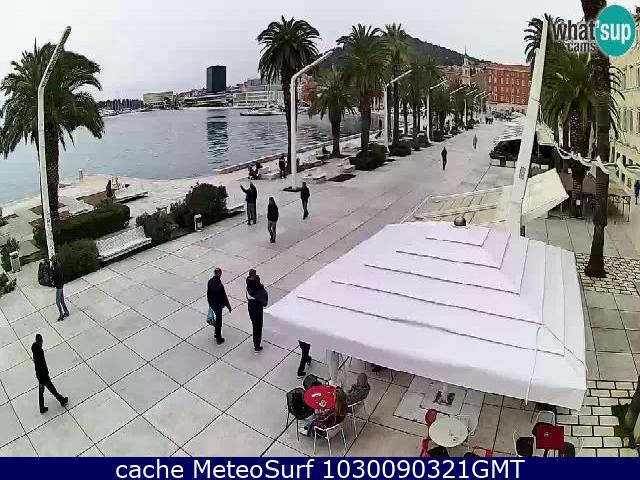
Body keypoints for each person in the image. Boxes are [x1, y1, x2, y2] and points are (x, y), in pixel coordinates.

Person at [32, 334, 68, 414]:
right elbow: (42, 365)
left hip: (40, 376)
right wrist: (45, 373)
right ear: (40, 342)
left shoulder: (35, 350)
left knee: (41, 392)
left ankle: (42, 408)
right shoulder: (39, 351)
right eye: (41, 341)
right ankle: (62, 400)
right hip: (43, 376)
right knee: (52, 390)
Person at [207, 267, 232, 345]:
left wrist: (210, 304)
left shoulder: (210, 281)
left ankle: (216, 333)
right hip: (218, 305)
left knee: (217, 320)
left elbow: (208, 294)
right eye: (220, 273)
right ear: (218, 274)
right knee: (219, 321)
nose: (221, 275)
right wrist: (228, 305)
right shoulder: (219, 284)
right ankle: (218, 337)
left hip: (213, 305)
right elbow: (223, 296)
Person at [246, 269, 268, 352]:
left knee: (255, 326)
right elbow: (261, 295)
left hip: (251, 307)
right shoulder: (254, 288)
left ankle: (256, 343)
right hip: (256, 308)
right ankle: (257, 345)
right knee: (257, 326)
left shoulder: (249, 284)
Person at [51, 256, 69, 322]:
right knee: (61, 300)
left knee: (57, 301)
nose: (51, 262)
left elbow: (55, 276)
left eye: (52, 261)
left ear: (54, 261)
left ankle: (61, 315)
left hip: (59, 286)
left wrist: (52, 270)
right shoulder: (58, 265)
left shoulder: (56, 268)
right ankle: (66, 312)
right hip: (60, 285)